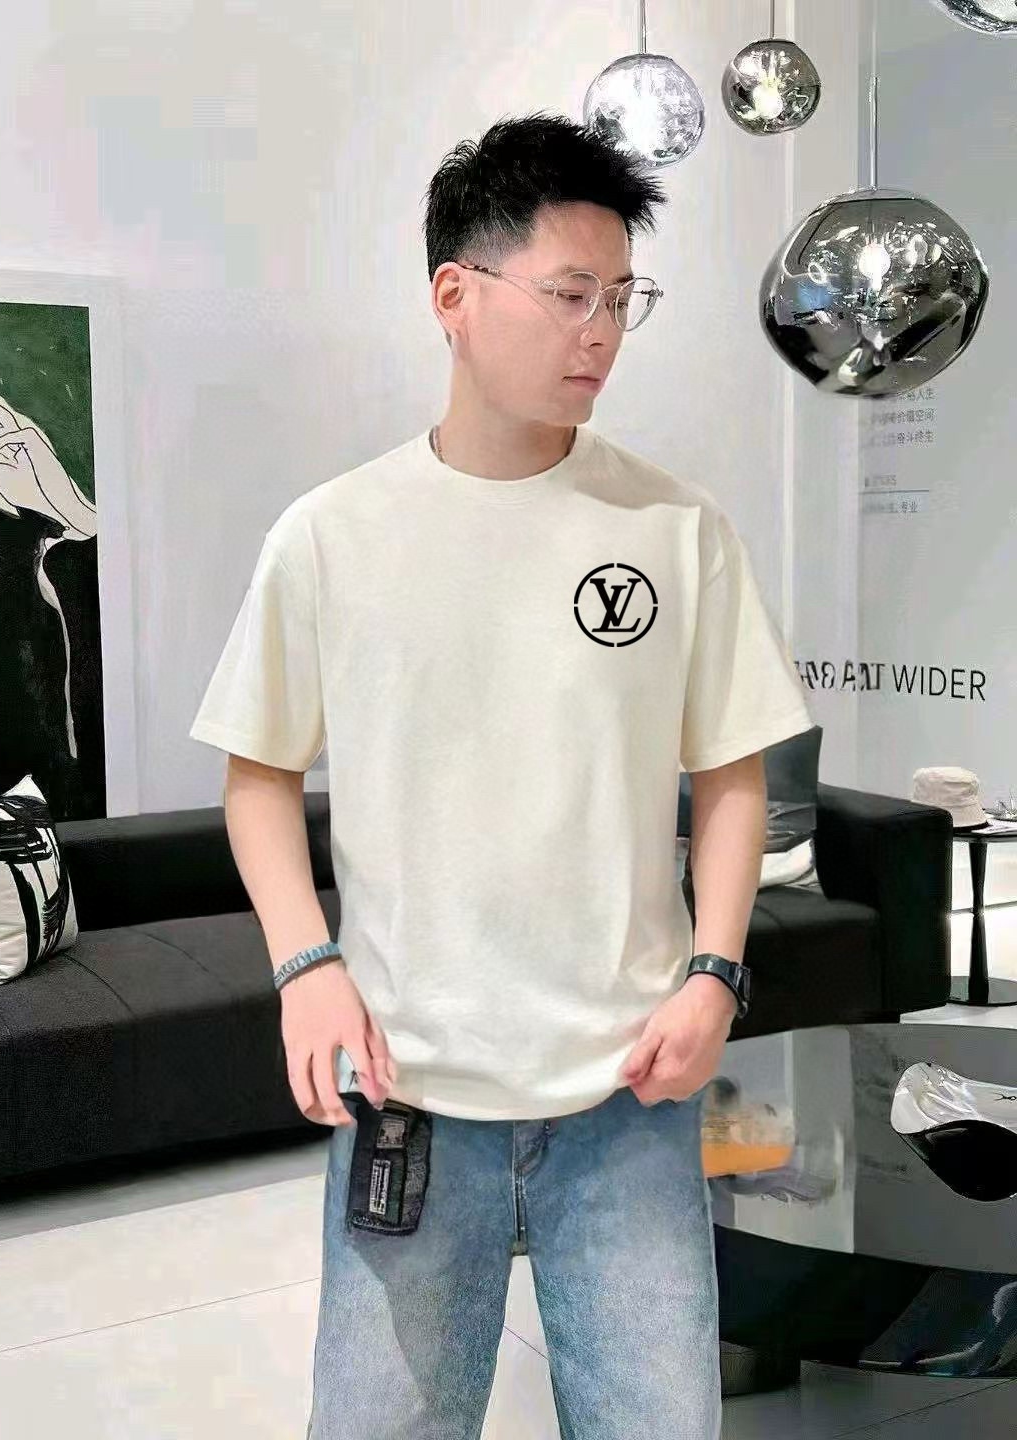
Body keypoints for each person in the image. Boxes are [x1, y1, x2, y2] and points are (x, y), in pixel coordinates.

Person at [190, 110, 814, 1440]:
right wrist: (306, 968)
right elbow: (258, 775)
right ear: (454, 296)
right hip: (407, 1087)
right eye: (571, 294)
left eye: (623, 299)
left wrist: (716, 969)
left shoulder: (675, 526)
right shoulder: (333, 537)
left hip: (629, 1091)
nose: (602, 333)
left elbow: (732, 772)